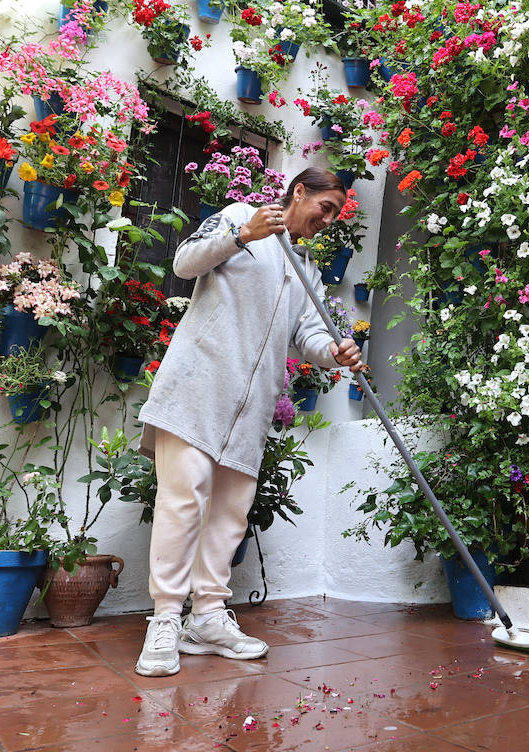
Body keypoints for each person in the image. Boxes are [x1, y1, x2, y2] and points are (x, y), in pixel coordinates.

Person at [133, 166, 364, 677]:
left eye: (335, 214)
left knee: (230, 515)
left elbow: (307, 337)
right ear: (299, 192)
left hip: (252, 406)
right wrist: (240, 236)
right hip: (196, 388)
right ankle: (166, 617)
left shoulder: (307, 268)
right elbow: (185, 263)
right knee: (183, 499)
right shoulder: (241, 217)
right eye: (325, 207)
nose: (328, 220)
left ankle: (208, 618)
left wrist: (335, 350)